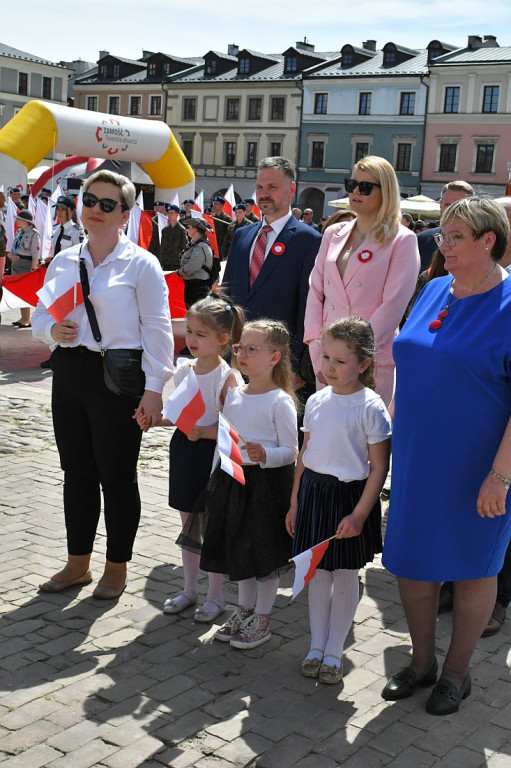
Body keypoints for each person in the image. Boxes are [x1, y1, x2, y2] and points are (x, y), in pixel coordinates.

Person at [382, 197, 511, 715]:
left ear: (490, 241)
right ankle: (421, 662)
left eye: (457, 237)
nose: (444, 246)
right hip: (417, 456)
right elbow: (414, 357)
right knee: (413, 562)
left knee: (474, 567)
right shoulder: (436, 287)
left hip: (481, 466)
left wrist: (500, 476)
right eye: (442, 237)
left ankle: (456, 674)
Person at [32, 169, 174, 600]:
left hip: (118, 378)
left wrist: (154, 390)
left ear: (125, 214)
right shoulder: (64, 259)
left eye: (107, 204)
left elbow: (158, 330)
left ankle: (117, 566)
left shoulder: (141, 264)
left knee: (116, 475)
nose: (95, 210)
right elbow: (40, 314)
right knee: (75, 472)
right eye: (90, 200)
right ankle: (78, 564)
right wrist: (50, 332)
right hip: (71, 373)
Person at [286, 317, 391, 684]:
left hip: (349, 499)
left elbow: (378, 468)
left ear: (363, 364)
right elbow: (305, 454)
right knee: (317, 571)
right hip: (314, 494)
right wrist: (295, 502)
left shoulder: (371, 407)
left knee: (345, 574)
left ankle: (334, 650)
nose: (329, 367)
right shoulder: (315, 400)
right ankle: (316, 645)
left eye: (340, 361)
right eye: (325, 357)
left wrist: (361, 514)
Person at [136, 295, 245, 622]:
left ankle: (215, 596)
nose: (191, 339)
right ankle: (189, 589)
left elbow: (235, 430)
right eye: (189, 331)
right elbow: (176, 413)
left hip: (212, 458)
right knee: (188, 525)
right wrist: (155, 419)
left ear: (223, 339)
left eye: (200, 334)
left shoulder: (229, 379)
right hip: (185, 452)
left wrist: (206, 432)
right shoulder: (185, 371)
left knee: (211, 528)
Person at [200, 319, 299, 649]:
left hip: (266, 488)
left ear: (274, 357)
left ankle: (263, 617)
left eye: (251, 349)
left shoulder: (279, 401)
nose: (242, 354)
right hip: (233, 482)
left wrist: (265, 454)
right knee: (240, 549)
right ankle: (244, 610)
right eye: (240, 347)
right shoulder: (234, 394)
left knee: (264, 554)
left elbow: (291, 451)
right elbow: (224, 442)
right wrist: (215, 482)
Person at [304, 155, 420, 406]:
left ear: (385, 191)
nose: (355, 191)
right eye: (351, 184)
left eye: (365, 187)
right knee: (326, 434)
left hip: (370, 360)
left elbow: (393, 305)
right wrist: (317, 346)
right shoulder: (334, 233)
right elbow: (315, 290)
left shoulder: (403, 240)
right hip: (328, 358)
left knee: (365, 441)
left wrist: (356, 357)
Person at [222, 156, 322, 371]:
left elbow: (308, 306)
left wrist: (296, 366)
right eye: (259, 187)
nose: (264, 194)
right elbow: (227, 296)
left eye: (272, 187)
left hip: (277, 364)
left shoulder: (308, 240)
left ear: (291, 189)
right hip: (236, 359)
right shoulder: (242, 235)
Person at [416, 181, 474, 271]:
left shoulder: (479, 243)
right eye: (448, 205)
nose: (452, 210)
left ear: (472, 208)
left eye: (458, 205)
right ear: (440, 204)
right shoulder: (421, 241)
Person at [10, 210, 41, 328]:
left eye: (19, 219)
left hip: (27, 265)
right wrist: (11, 256)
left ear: (25, 221)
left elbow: (35, 254)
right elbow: (13, 248)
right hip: (16, 264)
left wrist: (33, 270)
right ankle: (23, 317)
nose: (17, 221)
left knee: (25, 291)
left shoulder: (34, 234)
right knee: (19, 293)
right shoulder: (19, 232)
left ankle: (27, 318)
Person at [178, 217, 215, 308]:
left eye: (189, 227)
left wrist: (179, 272)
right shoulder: (193, 244)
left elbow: (193, 266)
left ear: (195, 229)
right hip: (191, 285)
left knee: (198, 313)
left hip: (198, 286)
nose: (187, 229)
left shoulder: (200, 246)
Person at [159, 204, 187, 271]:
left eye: (172, 213)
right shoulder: (165, 230)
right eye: (168, 213)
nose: (169, 215)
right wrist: (161, 262)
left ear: (177, 214)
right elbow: (162, 248)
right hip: (166, 263)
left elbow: (185, 248)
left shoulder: (182, 230)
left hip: (177, 264)